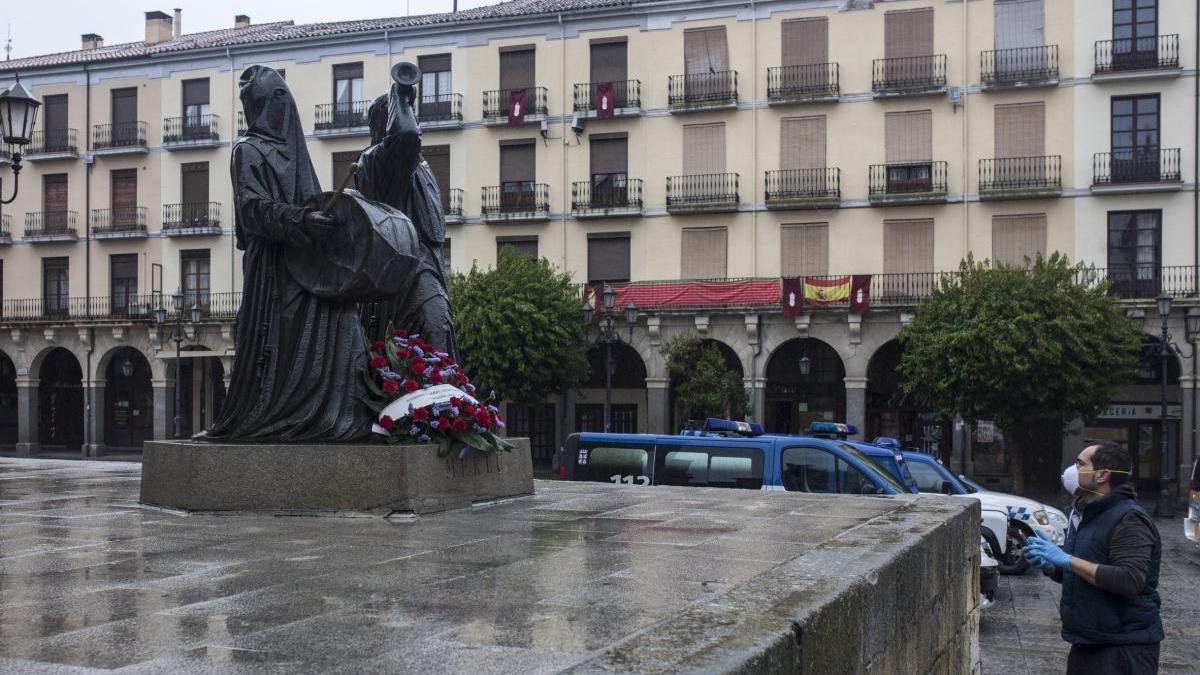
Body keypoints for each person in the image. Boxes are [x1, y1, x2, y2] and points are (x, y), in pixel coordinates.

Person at [203, 66, 374, 442]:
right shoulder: (246, 151)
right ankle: (280, 418)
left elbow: (311, 199)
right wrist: (301, 220)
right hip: (275, 271)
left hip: (310, 262)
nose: (282, 107)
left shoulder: (295, 150)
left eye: (283, 99)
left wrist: (328, 221)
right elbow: (251, 209)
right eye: (274, 101)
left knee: (346, 323)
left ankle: (342, 418)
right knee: (280, 345)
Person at [1023, 442, 1163, 675]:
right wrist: (1051, 566)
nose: (1072, 470)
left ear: (1102, 475)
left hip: (1123, 648)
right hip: (1088, 640)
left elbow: (1129, 580)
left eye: (1079, 464)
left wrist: (1066, 559)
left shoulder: (1129, 519)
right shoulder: (1084, 512)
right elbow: (1085, 569)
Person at [356, 73, 456, 358]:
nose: (413, 117)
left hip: (426, 264)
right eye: (404, 111)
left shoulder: (418, 164)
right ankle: (436, 400)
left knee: (436, 336)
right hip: (407, 266)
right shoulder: (376, 160)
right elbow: (408, 135)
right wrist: (398, 94)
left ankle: (441, 399)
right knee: (435, 328)